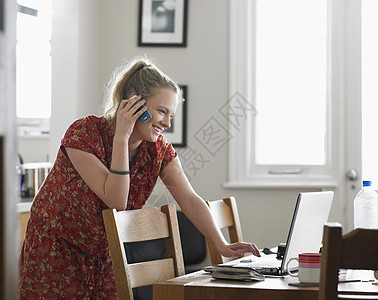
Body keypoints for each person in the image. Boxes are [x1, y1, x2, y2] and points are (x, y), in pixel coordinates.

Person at [19, 57, 260, 298]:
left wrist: (220, 244)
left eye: (171, 115)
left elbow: (188, 197)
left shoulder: (158, 150)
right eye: (162, 111)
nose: (166, 123)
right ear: (135, 105)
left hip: (105, 254)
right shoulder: (83, 133)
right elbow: (116, 200)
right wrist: (122, 138)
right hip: (56, 249)